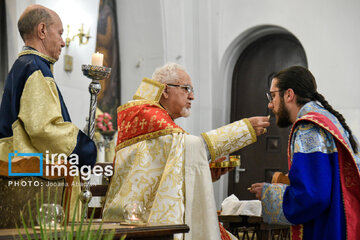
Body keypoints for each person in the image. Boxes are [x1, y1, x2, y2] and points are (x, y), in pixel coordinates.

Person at [103, 63, 270, 240]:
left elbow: (163, 171)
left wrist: (206, 172)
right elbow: (189, 146)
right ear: (165, 90)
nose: (192, 96)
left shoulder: (151, 118)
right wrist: (242, 130)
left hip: (142, 216)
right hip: (140, 221)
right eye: (186, 89)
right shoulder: (147, 116)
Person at [0, 4, 97, 212]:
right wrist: (85, 149)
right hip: (36, 184)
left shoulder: (24, 65)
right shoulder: (34, 67)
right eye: (60, 33)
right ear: (42, 30)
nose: (63, 42)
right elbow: (43, 129)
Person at [250, 66, 360, 240]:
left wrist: (269, 194)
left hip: (326, 229)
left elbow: (313, 196)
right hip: (345, 224)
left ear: (289, 94)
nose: (270, 104)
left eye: (272, 96)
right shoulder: (331, 121)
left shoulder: (308, 127)